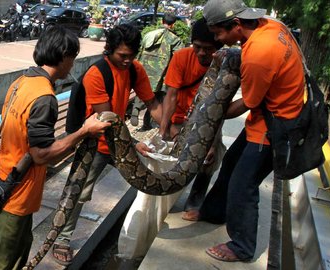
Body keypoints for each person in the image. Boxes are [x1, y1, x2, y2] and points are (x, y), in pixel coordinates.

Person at [0, 25, 110, 270]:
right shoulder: (45, 98)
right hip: (16, 193)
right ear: (62, 56)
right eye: (72, 58)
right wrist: (83, 131)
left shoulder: (22, 82)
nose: (72, 65)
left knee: (17, 252)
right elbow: (41, 155)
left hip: (4, 179)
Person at [196, 0, 305, 262]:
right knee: (232, 162)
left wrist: (206, 113)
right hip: (268, 116)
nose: (218, 40)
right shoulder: (269, 26)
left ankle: (242, 246)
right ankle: (212, 212)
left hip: (276, 127)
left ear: (236, 24)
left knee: (243, 185)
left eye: (218, 34)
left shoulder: (259, 53)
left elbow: (245, 104)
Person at [52, 23, 163, 266]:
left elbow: (152, 104)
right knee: (79, 191)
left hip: (117, 138)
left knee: (149, 175)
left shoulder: (135, 69)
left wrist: (169, 128)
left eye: (132, 56)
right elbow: (107, 121)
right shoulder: (97, 74)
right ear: (109, 49)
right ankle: (62, 238)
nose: (127, 61)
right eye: (122, 55)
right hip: (93, 140)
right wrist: (134, 143)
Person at [158, 18, 225, 221]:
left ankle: (195, 201)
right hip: (180, 119)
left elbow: (221, 107)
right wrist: (164, 130)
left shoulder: (224, 66)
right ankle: (165, 199)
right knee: (173, 160)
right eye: (197, 47)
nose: (202, 53)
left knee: (209, 161)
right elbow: (171, 95)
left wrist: (212, 143)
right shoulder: (181, 57)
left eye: (208, 48)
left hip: (208, 122)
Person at [130, 13, 182, 130]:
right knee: (156, 99)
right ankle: (146, 123)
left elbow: (139, 50)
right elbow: (179, 58)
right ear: (173, 25)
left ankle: (136, 109)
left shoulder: (149, 34)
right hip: (161, 74)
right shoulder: (175, 39)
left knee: (142, 89)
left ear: (162, 21)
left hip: (143, 68)